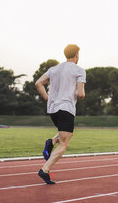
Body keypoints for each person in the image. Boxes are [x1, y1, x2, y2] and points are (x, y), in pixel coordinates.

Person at [35, 44, 86, 184]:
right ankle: (45, 170)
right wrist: (78, 92)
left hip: (52, 110)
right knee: (64, 144)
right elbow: (81, 94)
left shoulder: (53, 69)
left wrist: (47, 98)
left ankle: (50, 142)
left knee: (67, 134)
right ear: (76, 55)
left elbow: (38, 83)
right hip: (66, 108)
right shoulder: (79, 70)